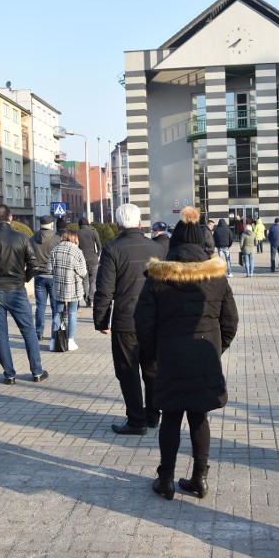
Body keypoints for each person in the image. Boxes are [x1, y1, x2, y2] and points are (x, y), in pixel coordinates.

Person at [135, 206, 238, 500]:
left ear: (175, 243)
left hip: (170, 356)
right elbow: (230, 321)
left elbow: (143, 322)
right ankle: (200, 479)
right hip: (204, 356)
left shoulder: (158, 277)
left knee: (170, 417)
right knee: (198, 417)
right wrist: (217, 349)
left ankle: (165, 479)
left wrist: (154, 354)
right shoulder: (216, 277)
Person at [93, 203, 166, 435]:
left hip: (126, 321)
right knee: (152, 369)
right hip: (154, 321)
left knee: (128, 371)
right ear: (140, 223)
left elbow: (104, 289)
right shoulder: (157, 249)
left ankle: (136, 421)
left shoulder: (112, 250)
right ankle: (154, 416)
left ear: (117, 225)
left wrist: (102, 320)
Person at [0, 205, 48, 384]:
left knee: (0, 333)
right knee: (28, 331)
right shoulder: (21, 238)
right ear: (11, 218)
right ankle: (37, 372)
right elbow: (34, 264)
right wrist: (24, 278)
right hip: (16, 290)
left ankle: (9, 374)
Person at [46, 229, 87, 351]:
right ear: (74, 239)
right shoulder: (77, 251)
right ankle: (70, 341)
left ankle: (54, 341)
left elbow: (49, 270)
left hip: (58, 287)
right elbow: (83, 272)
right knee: (72, 313)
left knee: (57, 314)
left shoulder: (55, 250)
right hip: (73, 287)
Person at [30, 215, 61, 341]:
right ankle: (55, 333)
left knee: (40, 306)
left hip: (39, 276)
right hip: (53, 275)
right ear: (52, 224)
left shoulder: (32, 239)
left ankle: (39, 332)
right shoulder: (57, 239)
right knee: (55, 306)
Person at [76, 217, 101, 308]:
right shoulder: (93, 232)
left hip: (81, 259)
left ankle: (86, 299)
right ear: (87, 224)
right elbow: (99, 245)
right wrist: (97, 254)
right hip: (93, 259)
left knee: (84, 280)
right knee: (93, 280)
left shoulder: (77, 233)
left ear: (79, 224)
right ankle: (91, 299)